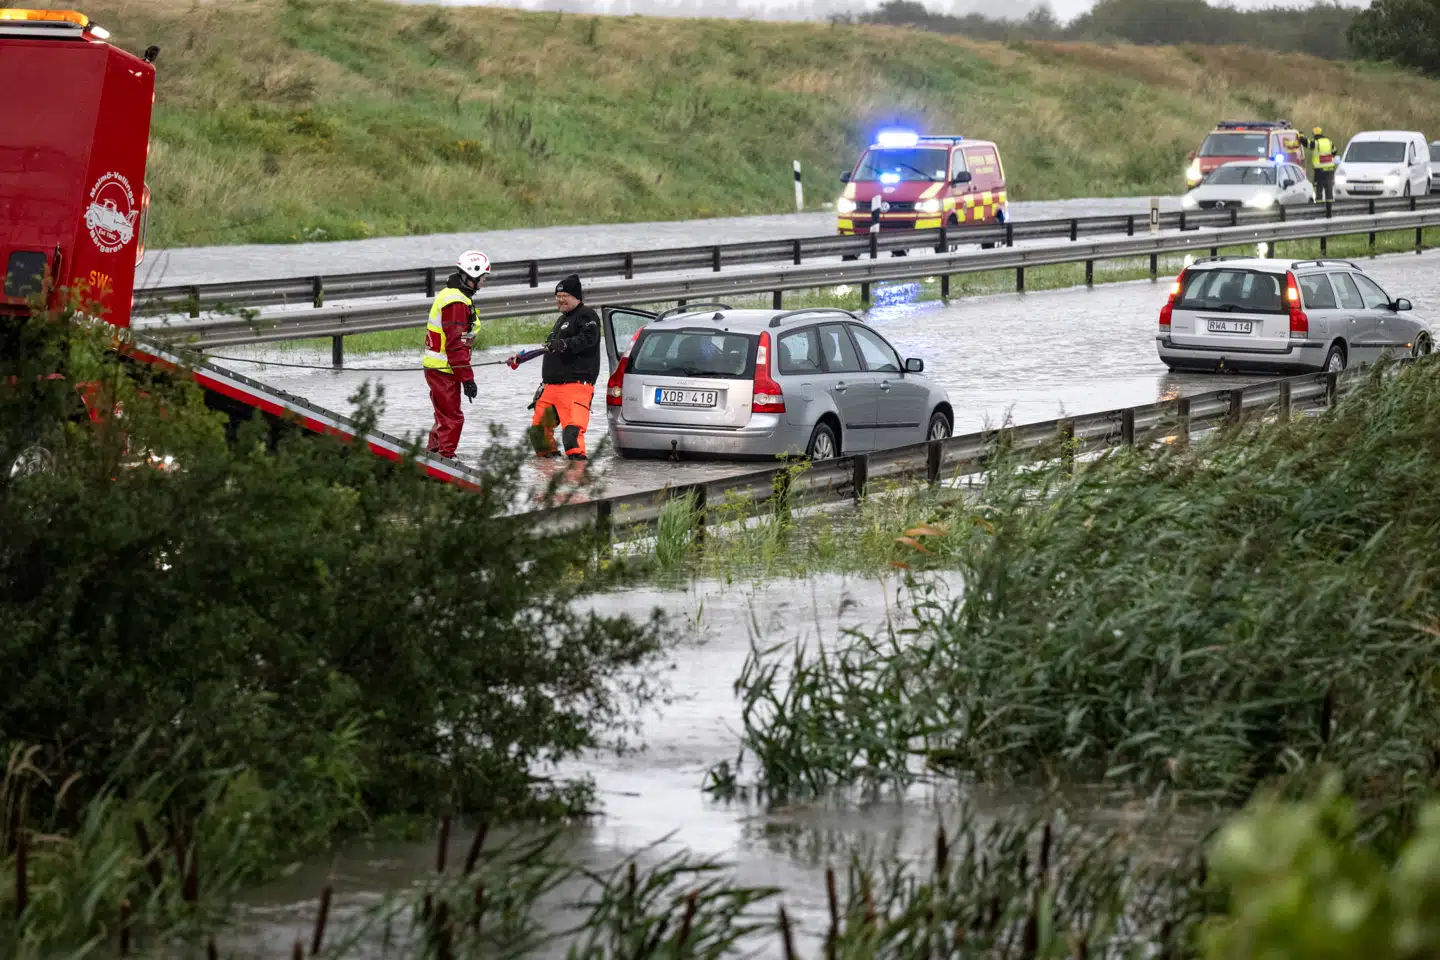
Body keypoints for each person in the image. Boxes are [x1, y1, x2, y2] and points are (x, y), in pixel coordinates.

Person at [422, 250, 489, 459]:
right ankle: (445, 459)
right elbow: (455, 344)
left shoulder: (453, 295)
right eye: (483, 279)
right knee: (453, 418)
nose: (484, 283)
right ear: (472, 276)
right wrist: (467, 379)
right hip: (445, 369)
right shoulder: (456, 302)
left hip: (439, 367)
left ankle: (432, 453)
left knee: (443, 415)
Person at [529, 273, 600, 461]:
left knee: (572, 437)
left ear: (577, 297)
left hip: (576, 386)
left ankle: (576, 483)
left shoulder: (587, 315)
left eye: (564, 296)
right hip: (551, 387)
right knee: (538, 435)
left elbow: (588, 339)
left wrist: (564, 344)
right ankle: (546, 480)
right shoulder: (561, 319)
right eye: (558, 297)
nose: (560, 300)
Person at [1300, 126, 1337, 203]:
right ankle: (1329, 208)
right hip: (1330, 170)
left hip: (1319, 171)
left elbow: (1307, 143)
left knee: (1319, 188)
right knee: (1329, 188)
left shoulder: (1316, 143)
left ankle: (1319, 206)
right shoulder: (1329, 142)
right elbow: (1334, 151)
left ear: (1314, 134)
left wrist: (1301, 136)